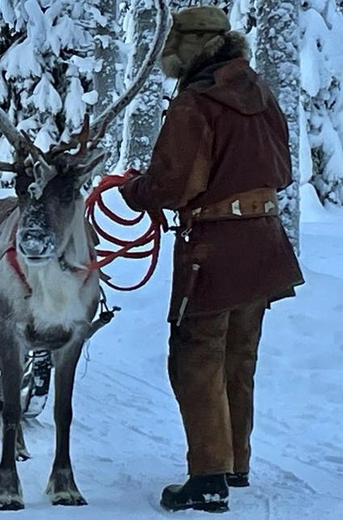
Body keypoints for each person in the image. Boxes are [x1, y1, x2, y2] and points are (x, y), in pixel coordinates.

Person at [117, 6, 304, 513]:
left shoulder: (196, 101)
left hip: (213, 249)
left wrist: (135, 190)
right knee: (239, 355)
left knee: (195, 356)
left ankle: (208, 478)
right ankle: (234, 462)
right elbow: (282, 170)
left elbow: (173, 185)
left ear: (186, 47)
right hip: (264, 242)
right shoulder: (260, 91)